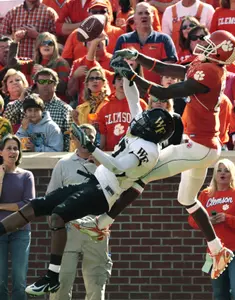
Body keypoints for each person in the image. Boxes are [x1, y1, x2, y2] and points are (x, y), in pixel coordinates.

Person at [78, 29, 235, 280]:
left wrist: (131, 73)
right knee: (187, 200)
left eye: (210, 44)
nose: (203, 45)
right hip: (203, 145)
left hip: (199, 146)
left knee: (141, 175)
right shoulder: (206, 64)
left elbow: (163, 94)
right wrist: (138, 56)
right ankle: (217, 249)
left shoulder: (210, 71)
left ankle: (102, 224)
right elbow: (169, 69)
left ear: (219, 53)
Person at [0, 77, 174, 297]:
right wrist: (128, 72)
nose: (140, 121)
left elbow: (118, 168)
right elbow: (133, 98)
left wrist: (93, 148)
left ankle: (52, 277)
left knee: (58, 215)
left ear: (153, 130)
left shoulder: (149, 151)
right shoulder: (142, 133)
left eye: (146, 122)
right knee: (38, 205)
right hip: (95, 182)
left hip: (105, 192)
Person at [48, 124, 113, 300]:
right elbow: (50, 200)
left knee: (96, 287)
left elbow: (118, 196)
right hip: (68, 232)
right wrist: (56, 230)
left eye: (90, 137)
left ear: (95, 139)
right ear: (74, 140)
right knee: (60, 285)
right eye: (82, 137)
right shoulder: (63, 164)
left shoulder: (108, 165)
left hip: (97, 232)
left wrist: (102, 166)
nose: (87, 140)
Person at [188, 159, 235, 300]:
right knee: (220, 295)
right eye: (219, 170)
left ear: (232, 175)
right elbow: (192, 220)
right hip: (216, 252)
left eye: (226, 170)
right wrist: (206, 221)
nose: (222, 173)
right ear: (214, 174)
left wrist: (227, 218)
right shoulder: (205, 194)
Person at [0, 134, 35, 300]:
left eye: (16, 148)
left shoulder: (27, 176)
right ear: (1, 152)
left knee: (19, 280)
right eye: (9, 148)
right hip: (0, 232)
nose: (13, 151)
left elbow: (28, 205)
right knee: (0, 280)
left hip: (21, 232)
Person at [4, 68, 73, 151]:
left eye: (49, 82)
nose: (45, 85)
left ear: (55, 85)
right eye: (41, 82)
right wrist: (21, 99)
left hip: (53, 159)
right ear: (36, 84)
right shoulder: (27, 104)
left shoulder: (65, 109)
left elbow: (69, 140)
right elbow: (7, 120)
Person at [113, 2, 177, 84]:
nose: (144, 16)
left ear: (153, 17)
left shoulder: (164, 40)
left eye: (147, 13)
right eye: (140, 13)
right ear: (134, 18)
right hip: (131, 90)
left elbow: (170, 70)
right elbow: (115, 67)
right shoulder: (123, 40)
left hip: (157, 92)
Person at [8, 31, 70, 101]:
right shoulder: (33, 64)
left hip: (55, 104)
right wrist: (16, 41)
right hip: (35, 105)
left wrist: (44, 71)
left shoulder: (61, 63)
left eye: (50, 43)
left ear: (54, 46)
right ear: (38, 46)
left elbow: (63, 87)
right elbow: (12, 64)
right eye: (43, 43)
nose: (46, 45)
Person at [98, 72, 148, 151]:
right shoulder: (104, 107)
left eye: (125, 80)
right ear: (113, 84)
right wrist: (101, 152)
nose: (122, 82)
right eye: (119, 79)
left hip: (133, 151)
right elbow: (103, 134)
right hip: (111, 152)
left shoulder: (140, 104)